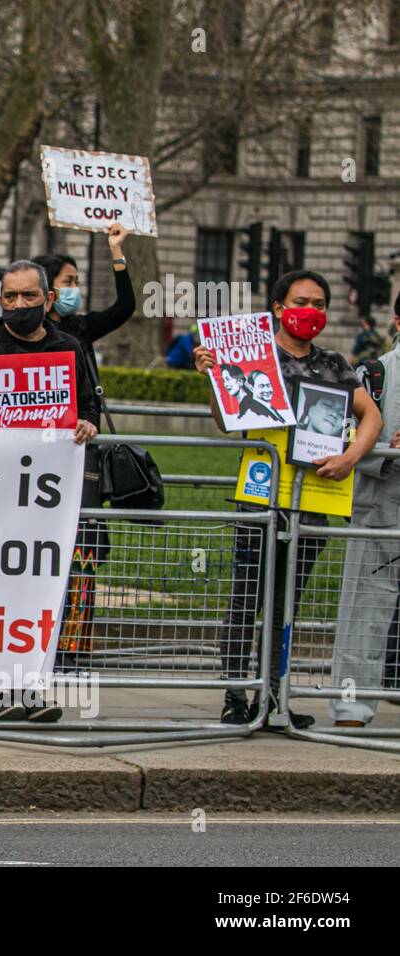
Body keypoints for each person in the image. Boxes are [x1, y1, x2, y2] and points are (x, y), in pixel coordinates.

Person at [194, 269, 383, 729]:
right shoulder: (254, 358)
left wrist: (351, 457)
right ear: (278, 307)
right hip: (262, 497)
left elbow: (370, 415)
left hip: (315, 498)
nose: (311, 312)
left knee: (287, 604)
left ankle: (276, 695)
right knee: (247, 597)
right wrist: (214, 377)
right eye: (302, 302)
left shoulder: (335, 364)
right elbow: (227, 420)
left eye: (319, 304)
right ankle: (237, 695)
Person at [0, 259, 99, 723]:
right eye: (11, 297)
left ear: (48, 300)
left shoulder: (69, 350)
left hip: (45, 504)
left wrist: (85, 421)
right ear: (0, 300)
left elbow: (86, 404)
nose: (20, 305)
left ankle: (28, 688)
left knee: (36, 595)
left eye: (30, 297)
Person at [34, 229, 135, 662]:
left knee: (84, 544)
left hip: (81, 449)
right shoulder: (29, 335)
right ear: (48, 290)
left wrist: (117, 254)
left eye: (76, 280)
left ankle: (75, 642)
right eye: (69, 281)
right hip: (40, 452)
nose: (75, 289)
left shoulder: (80, 329)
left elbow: (125, 307)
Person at [332, 300, 400, 727]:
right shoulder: (376, 373)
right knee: (365, 607)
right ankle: (352, 708)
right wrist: (387, 452)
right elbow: (343, 438)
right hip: (383, 501)